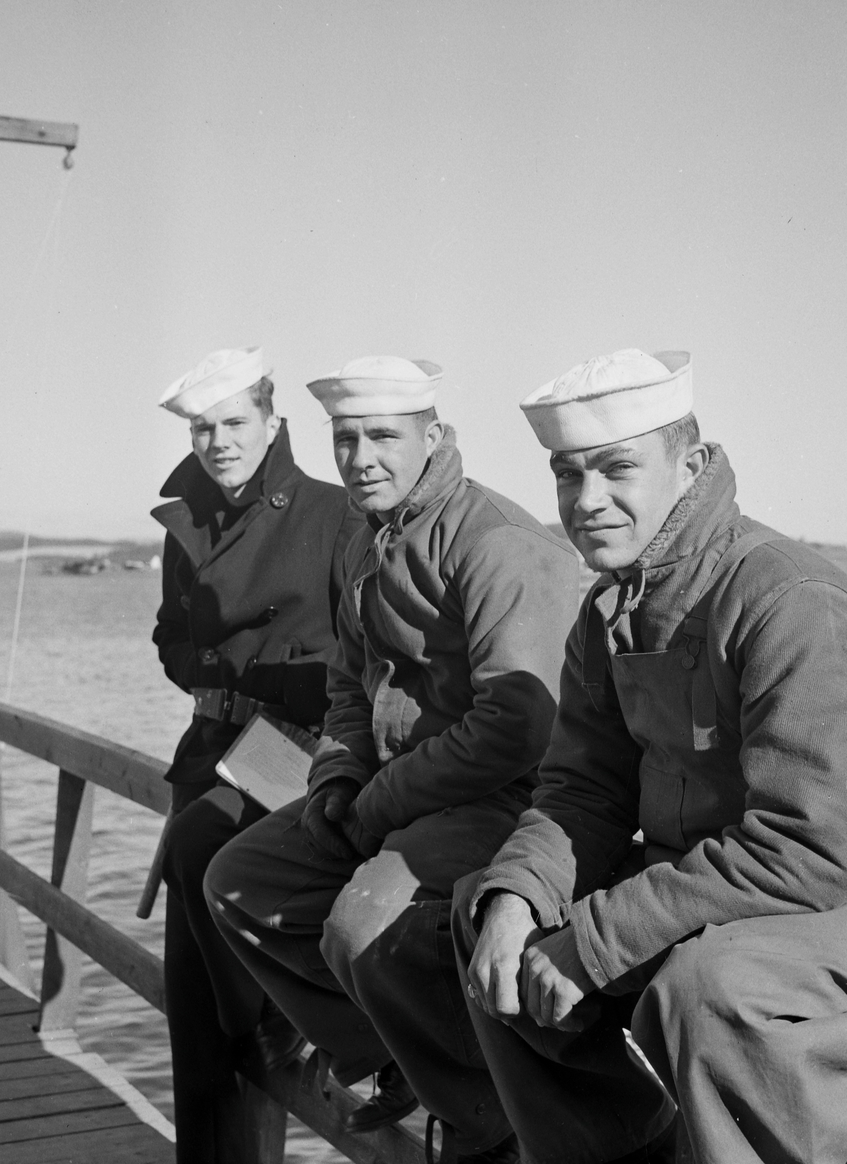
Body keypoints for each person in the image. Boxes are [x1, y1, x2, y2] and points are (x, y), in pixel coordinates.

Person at [458, 349, 847, 1164]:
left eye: (616, 469)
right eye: (567, 476)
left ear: (691, 465)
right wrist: (520, 899)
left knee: (706, 992)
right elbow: (581, 793)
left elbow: (810, 850)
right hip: (721, 884)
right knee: (486, 915)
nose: (585, 501)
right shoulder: (609, 612)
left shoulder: (791, 603)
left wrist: (594, 940)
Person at [204, 355, 579, 1162]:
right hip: (398, 792)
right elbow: (349, 679)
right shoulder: (364, 535)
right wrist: (338, 774)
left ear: (433, 436)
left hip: (507, 799)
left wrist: (377, 804)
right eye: (345, 440)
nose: (360, 458)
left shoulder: (498, 543)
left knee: (362, 923)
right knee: (241, 881)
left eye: (382, 437)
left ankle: (490, 1119)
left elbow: (518, 726)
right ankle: (398, 1059)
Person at [152, 346, 362, 1164]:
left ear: (272, 423)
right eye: (204, 428)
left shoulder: (333, 513)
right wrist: (213, 682)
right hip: (207, 746)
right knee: (191, 1009)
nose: (218, 442)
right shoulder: (187, 522)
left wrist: (279, 694)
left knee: (202, 850)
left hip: (295, 747)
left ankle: (285, 1016)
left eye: (235, 422)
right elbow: (171, 637)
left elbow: (367, 645)